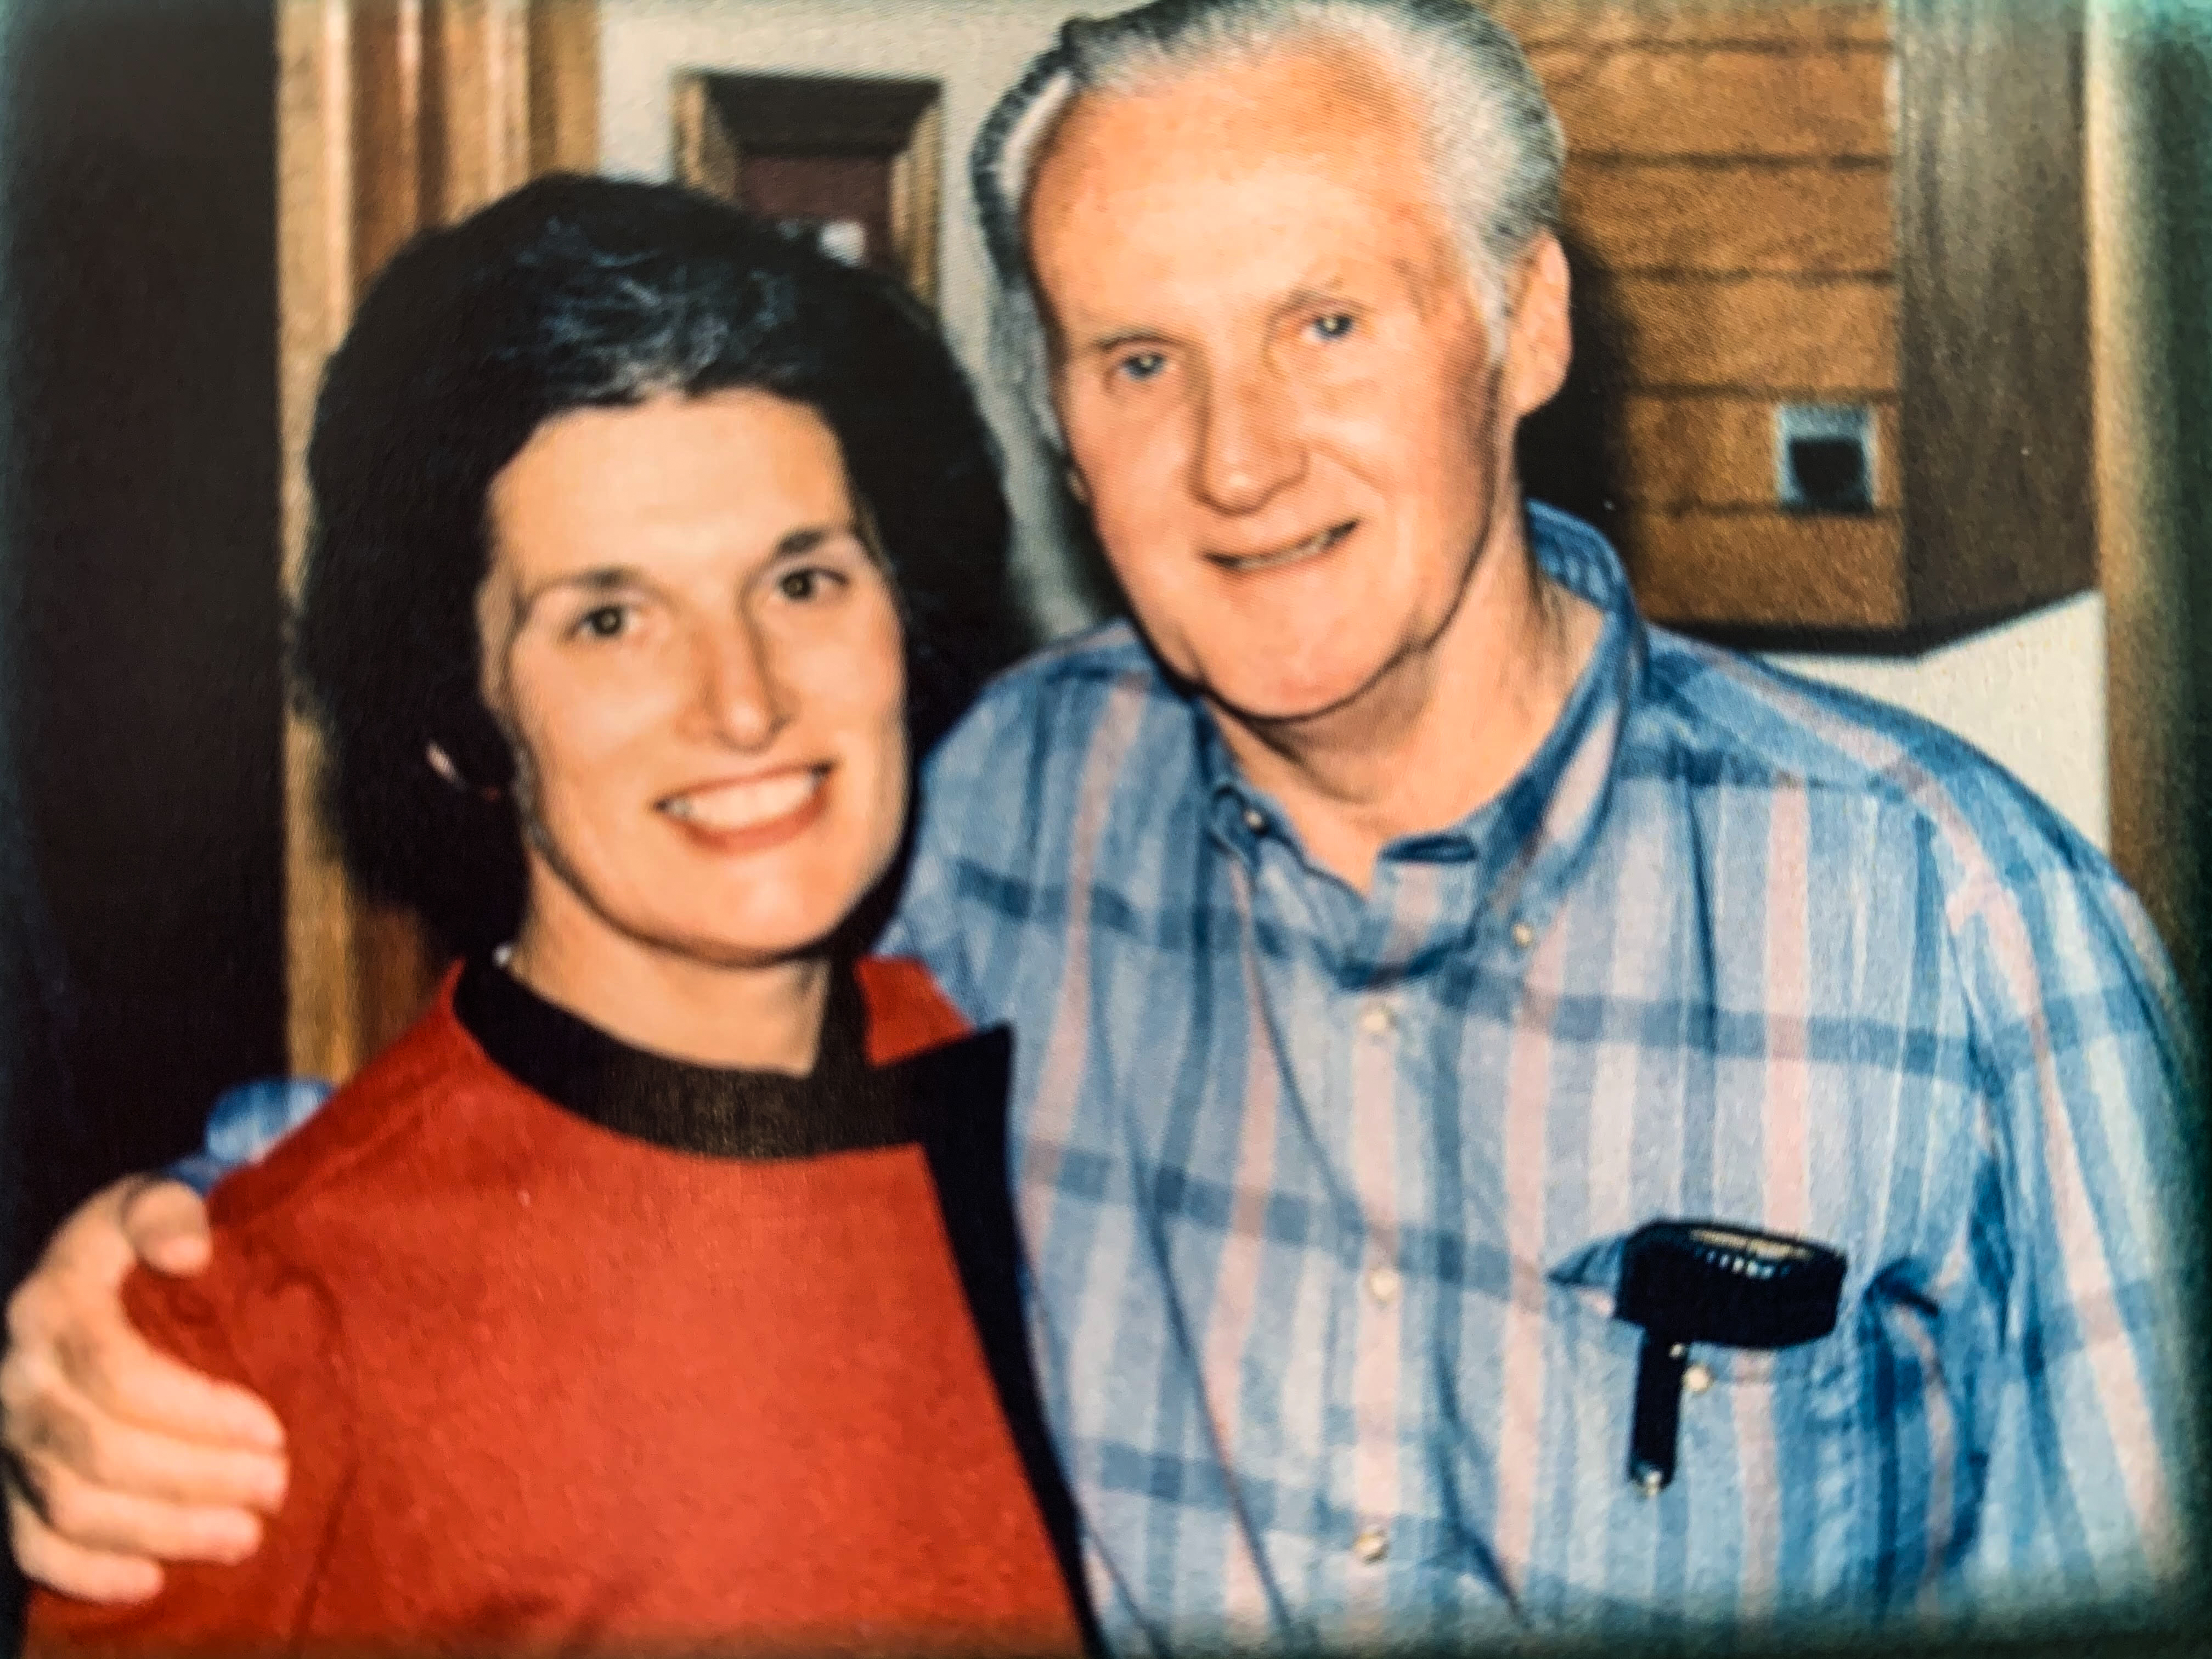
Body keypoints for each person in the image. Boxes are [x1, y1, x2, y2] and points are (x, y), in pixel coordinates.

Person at [4, 0, 2198, 1647]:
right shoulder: (995, 818)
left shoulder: (1962, 923)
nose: (1239, 459)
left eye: (1325, 322)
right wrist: (184, 1259)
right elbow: (624, 1067)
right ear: (1060, 419)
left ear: (1519, 324)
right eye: (1139, 362)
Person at [15, 173, 1091, 1650]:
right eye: (609, 620)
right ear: (462, 719)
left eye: (802, 581)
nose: (743, 702)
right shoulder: (239, 1347)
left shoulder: (1033, 1104)